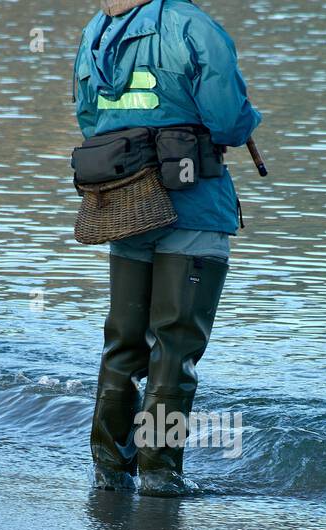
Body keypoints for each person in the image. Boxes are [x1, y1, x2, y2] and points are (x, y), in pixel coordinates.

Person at [74, 0, 261, 496]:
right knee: (175, 350)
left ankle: (109, 469)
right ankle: (161, 472)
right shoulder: (193, 26)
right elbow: (228, 121)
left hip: (126, 204)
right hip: (193, 207)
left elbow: (90, 120)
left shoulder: (98, 30)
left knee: (123, 345)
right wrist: (250, 118)